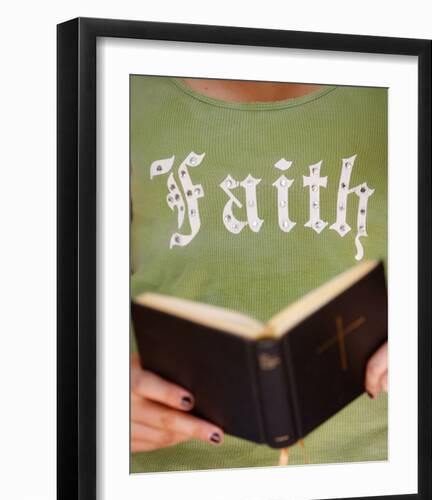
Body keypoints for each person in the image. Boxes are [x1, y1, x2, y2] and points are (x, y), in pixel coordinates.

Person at [130, 76, 388, 472]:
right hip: (174, 464)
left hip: (383, 462)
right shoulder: (115, 82)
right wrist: (90, 387)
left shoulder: (408, 79)